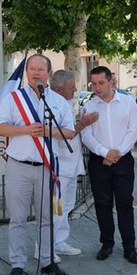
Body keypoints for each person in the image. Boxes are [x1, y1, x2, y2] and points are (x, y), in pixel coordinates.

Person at [0, 54, 73, 275]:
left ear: (48, 73)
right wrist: (26, 130)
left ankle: (47, 261)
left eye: (40, 69)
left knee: (45, 219)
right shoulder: (13, 99)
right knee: (17, 218)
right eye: (32, 69)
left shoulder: (57, 101)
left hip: (46, 168)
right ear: (26, 72)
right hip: (19, 167)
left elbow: (69, 132)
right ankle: (17, 263)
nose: (36, 72)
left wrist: (49, 133)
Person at [81, 66, 137, 264]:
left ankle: (129, 247)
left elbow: (134, 131)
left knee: (125, 203)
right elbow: (86, 135)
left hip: (122, 160)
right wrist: (105, 153)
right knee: (102, 204)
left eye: (101, 83)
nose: (97, 88)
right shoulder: (89, 106)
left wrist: (116, 153)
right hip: (99, 161)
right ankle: (106, 244)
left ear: (111, 82)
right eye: (94, 84)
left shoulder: (128, 102)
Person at [49, 70, 99, 257]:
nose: (76, 90)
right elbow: (62, 133)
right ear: (60, 90)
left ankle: (59, 241)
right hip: (58, 165)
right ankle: (45, 247)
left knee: (67, 206)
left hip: (70, 164)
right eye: (72, 87)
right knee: (55, 208)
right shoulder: (51, 105)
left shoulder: (66, 102)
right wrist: (82, 124)